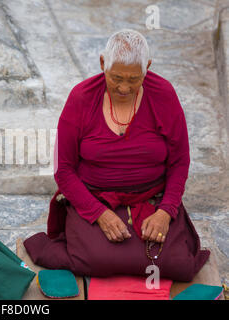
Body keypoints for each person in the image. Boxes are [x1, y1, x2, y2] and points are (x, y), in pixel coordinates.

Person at [24, 29, 210, 282]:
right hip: (94, 198)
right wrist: (100, 214)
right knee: (97, 260)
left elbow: (179, 162)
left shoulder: (163, 95)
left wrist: (165, 212)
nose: (124, 87)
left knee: (178, 265)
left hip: (151, 198)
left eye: (134, 79)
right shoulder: (81, 98)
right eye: (116, 77)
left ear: (148, 68)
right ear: (103, 63)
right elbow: (64, 171)